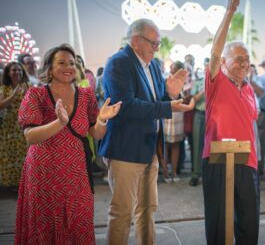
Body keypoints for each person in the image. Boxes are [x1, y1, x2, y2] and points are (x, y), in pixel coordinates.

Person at [98, 18, 194, 245]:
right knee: (122, 213)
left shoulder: (153, 64)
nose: (157, 48)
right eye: (154, 43)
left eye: (158, 44)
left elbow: (157, 102)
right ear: (135, 40)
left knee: (147, 210)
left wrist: (170, 95)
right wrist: (168, 105)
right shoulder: (118, 63)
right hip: (125, 149)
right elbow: (126, 106)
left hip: (149, 147)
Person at [14, 44, 122, 244]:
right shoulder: (36, 95)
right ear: (49, 68)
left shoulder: (86, 95)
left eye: (72, 62)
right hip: (44, 174)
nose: (68, 66)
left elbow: (96, 133)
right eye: (61, 62)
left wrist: (102, 120)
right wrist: (59, 123)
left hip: (76, 174)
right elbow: (30, 136)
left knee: (79, 222)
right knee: (45, 227)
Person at [202, 0, 259, 244]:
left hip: (248, 158)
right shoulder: (216, 81)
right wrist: (229, 13)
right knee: (219, 222)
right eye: (239, 59)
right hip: (218, 156)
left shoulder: (248, 88)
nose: (244, 63)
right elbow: (215, 51)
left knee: (248, 221)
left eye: (247, 59)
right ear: (224, 62)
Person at [0, 62, 30, 190]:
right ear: (8, 73)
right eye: (14, 70)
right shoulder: (4, 88)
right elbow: (1, 105)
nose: (17, 72)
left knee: (24, 153)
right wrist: (13, 95)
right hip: (9, 125)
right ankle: (13, 183)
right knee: (10, 153)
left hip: (23, 125)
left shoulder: (27, 86)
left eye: (19, 70)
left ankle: (25, 182)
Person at [189, 57, 208, 186]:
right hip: (199, 115)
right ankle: (196, 174)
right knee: (197, 145)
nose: (208, 69)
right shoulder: (198, 82)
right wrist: (204, 89)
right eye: (206, 67)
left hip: (213, 117)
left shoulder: (218, 82)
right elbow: (194, 99)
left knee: (212, 146)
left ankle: (209, 174)